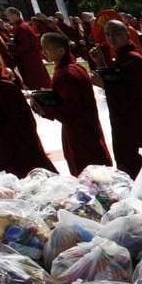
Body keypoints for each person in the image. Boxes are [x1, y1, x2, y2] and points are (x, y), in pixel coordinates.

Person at [33, 32, 111, 176]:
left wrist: (45, 107)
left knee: (87, 170)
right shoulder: (76, 67)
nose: (43, 52)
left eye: (47, 48)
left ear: (61, 50)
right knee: (94, 165)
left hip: (78, 130)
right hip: (87, 126)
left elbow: (70, 110)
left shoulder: (66, 74)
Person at [90, 20, 142, 177]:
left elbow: (133, 94)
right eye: (108, 34)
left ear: (127, 35)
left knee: (140, 162)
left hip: (136, 122)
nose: (112, 39)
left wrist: (104, 85)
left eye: (116, 34)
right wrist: (100, 62)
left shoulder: (134, 59)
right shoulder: (122, 58)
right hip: (124, 122)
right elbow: (118, 80)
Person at [0, 50, 54, 177]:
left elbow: (20, 122)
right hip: (5, 146)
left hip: (20, 146)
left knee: (36, 176)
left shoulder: (6, 89)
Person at [4, 7, 50, 90]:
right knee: (40, 77)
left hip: (29, 58)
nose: (7, 18)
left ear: (15, 15)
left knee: (35, 80)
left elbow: (25, 45)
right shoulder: (23, 25)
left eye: (9, 15)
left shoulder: (21, 27)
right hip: (32, 57)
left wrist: (12, 50)